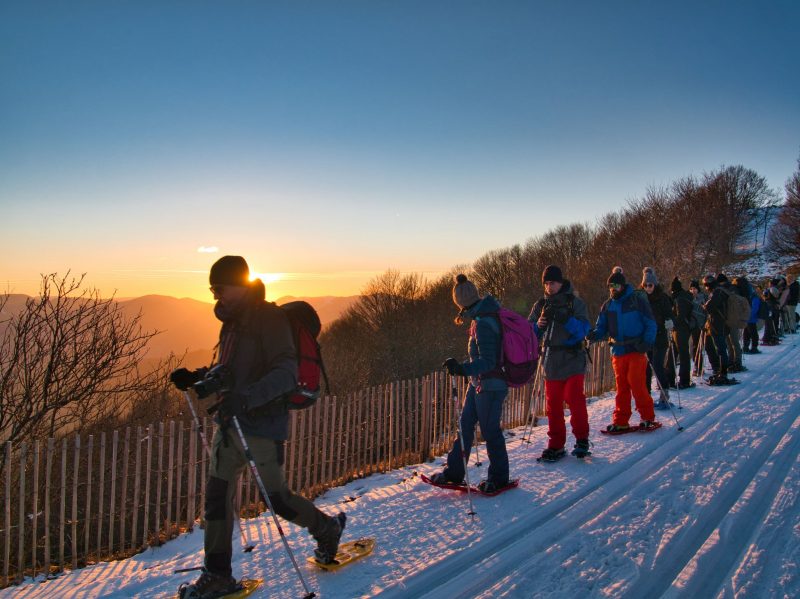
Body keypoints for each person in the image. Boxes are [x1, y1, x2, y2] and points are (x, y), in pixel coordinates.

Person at [170, 256, 345, 598]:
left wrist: (246, 398)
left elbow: (285, 373)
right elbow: (227, 371)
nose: (215, 295)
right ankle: (217, 574)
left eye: (219, 288)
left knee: (278, 499)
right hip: (230, 423)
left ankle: (326, 530)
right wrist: (198, 378)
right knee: (217, 498)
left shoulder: (270, 319)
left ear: (239, 284)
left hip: (262, 425)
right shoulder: (231, 323)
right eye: (211, 289)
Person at [434, 274, 511, 493]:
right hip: (478, 384)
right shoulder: (481, 316)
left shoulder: (484, 322)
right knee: (465, 425)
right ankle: (455, 472)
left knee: (490, 431)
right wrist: (463, 367)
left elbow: (488, 361)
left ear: (461, 301)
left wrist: (462, 369)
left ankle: (499, 477)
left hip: (491, 386)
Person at [528, 265, 592, 460]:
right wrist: (537, 326)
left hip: (572, 357)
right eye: (546, 283)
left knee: (574, 398)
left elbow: (584, 330)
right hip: (551, 360)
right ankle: (556, 444)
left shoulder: (574, 303)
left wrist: (566, 320)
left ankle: (582, 439)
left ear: (561, 283)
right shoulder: (540, 305)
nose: (549, 287)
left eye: (552, 283)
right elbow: (528, 332)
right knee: (553, 404)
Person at [588, 267, 659, 432]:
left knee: (637, 384)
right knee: (621, 388)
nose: (613, 289)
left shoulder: (636, 300)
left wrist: (647, 342)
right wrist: (593, 335)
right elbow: (602, 327)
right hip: (618, 352)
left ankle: (647, 417)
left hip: (636, 349)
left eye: (616, 286)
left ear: (622, 286)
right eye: (611, 286)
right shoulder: (608, 305)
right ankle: (621, 420)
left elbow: (651, 323)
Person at [640, 267, 674, 406]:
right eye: (645, 285)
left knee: (657, 365)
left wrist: (670, 322)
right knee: (646, 367)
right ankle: (646, 395)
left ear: (655, 284)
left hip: (660, 336)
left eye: (650, 285)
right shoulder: (640, 298)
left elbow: (670, 314)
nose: (648, 288)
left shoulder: (663, 298)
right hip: (646, 336)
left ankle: (664, 392)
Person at [701, 274, 734, 385]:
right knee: (721, 348)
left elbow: (710, 307)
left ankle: (723, 373)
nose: (705, 288)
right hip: (720, 324)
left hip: (718, 325)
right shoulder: (720, 291)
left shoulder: (717, 292)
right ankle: (722, 371)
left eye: (706, 285)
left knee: (721, 349)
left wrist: (705, 306)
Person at [669, 277, 695, 389]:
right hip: (684, 329)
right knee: (677, 353)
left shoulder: (680, 299)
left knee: (680, 353)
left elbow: (680, 315)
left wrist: (671, 322)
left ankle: (682, 380)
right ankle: (676, 378)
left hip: (680, 329)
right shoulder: (686, 296)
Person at [742, 280, 763, 354]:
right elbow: (755, 308)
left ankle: (747, 347)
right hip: (750, 318)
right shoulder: (753, 296)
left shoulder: (748, 296)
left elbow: (754, 308)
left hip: (748, 318)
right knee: (751, 333)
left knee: (748, 333)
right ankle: (753, 347)